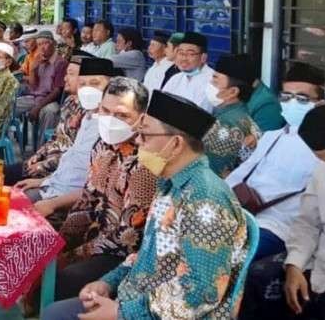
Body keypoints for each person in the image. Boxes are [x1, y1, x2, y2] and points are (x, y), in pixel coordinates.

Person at [42, 90, 249, 320]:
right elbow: (148, 256)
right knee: (54, 312)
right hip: (136, 301)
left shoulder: (205, 199)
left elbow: (201, 292)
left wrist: (121, 313)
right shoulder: (170, 184)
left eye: (145, 135)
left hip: (158, 313)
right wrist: (107, 283)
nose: (137, 140)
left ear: (176, 144)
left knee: (56, 315)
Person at [52, 77, 157, 301]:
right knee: (41, 250)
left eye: (122, 115)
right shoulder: (102, 146)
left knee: (65, 277)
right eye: (106, 111)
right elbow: (87, 201)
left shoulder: (146, 164)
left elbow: (127, 237)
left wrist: (73, 255)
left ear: (141, 118)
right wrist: (60, 244)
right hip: (96, 236)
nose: (111, 121)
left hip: (122, 257)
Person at [239, 103, 325, 320]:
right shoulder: (324, 168)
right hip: (317, 258)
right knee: (258, 277)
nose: (323, 164)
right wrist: (295, 264)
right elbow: (307, 223)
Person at [225, 61, 325, 261]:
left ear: (320, 102)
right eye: (287, 97)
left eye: (303, 99)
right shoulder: (273, 136)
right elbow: (240, 174)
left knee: (226, 256)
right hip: (241, 212)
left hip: (279, 226)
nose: (293, 103)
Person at [12, 58, 115, 206]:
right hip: (53, 185)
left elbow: (94, 188)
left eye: (95, 83)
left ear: (111, 86)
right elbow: (70, 157)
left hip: (66, 199)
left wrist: (52, 203)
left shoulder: (110, 130)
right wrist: (42, 181)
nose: (87, 90)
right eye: (82, 84)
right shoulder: (88, 117)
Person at [5, 52, 95, 184]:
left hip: (60, 173)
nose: (65, 79)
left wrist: (44, 165)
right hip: (47, 161)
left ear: (84, 79)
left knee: (5, 179)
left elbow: (75, 155)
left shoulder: (89, 112)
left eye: (70, 74)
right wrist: (37, 156)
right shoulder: (70, 102)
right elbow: (56, 137)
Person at [202, 54, 261, 176]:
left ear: (233, 92)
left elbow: (212, 170)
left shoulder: (227, 123)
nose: (210, 83)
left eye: (215, 79)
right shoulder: (238, 114)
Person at [17, 30, 69, 144]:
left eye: (45, 43)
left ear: (53, 44)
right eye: (39, 44)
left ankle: (42, 150)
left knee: (51, 112)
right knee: (9, 105)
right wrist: (33, 69)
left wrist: (38, 107)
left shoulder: (60, 63)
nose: (42, 47)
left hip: (49, 99)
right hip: (34, 97)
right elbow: (33, 86)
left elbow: (57, 91)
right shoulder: (38, 60)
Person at [162, 31, 215, 112]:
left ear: (203, 57)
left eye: (190, 54)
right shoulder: (176, 78)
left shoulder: (213, 81)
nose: (184, 58)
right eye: (181, 53)